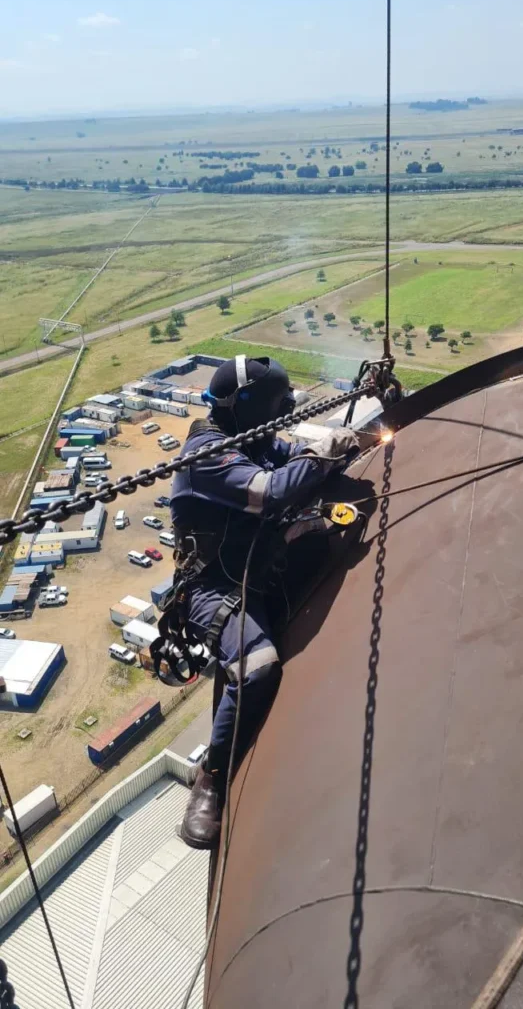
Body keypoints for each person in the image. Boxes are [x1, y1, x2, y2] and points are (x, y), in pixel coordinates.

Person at [170, 354, 358, 849]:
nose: (286, 411)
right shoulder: (209, 454)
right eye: (279, 404)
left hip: (257, 566)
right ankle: (211, 775)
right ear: (249, 407)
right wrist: (319, 455)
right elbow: (273, 490)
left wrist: (327, 448)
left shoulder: (253, 438)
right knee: (257, 665)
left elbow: (287, 453)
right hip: (213, 589)